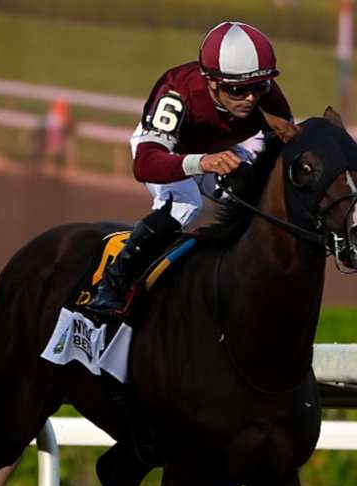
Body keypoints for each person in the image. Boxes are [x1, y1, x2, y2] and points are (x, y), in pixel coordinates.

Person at [87, 21, 292, 317]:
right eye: (237, 89)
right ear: (211, 82)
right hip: (167, 149)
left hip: (222, 146)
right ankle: (114, 282)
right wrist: (202, 162)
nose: (250, 98)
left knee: (253, 195)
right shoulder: (176, 92)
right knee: (185, 206)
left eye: (258, 87)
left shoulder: (265, 93)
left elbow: (287, 139)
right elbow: (145, 163)